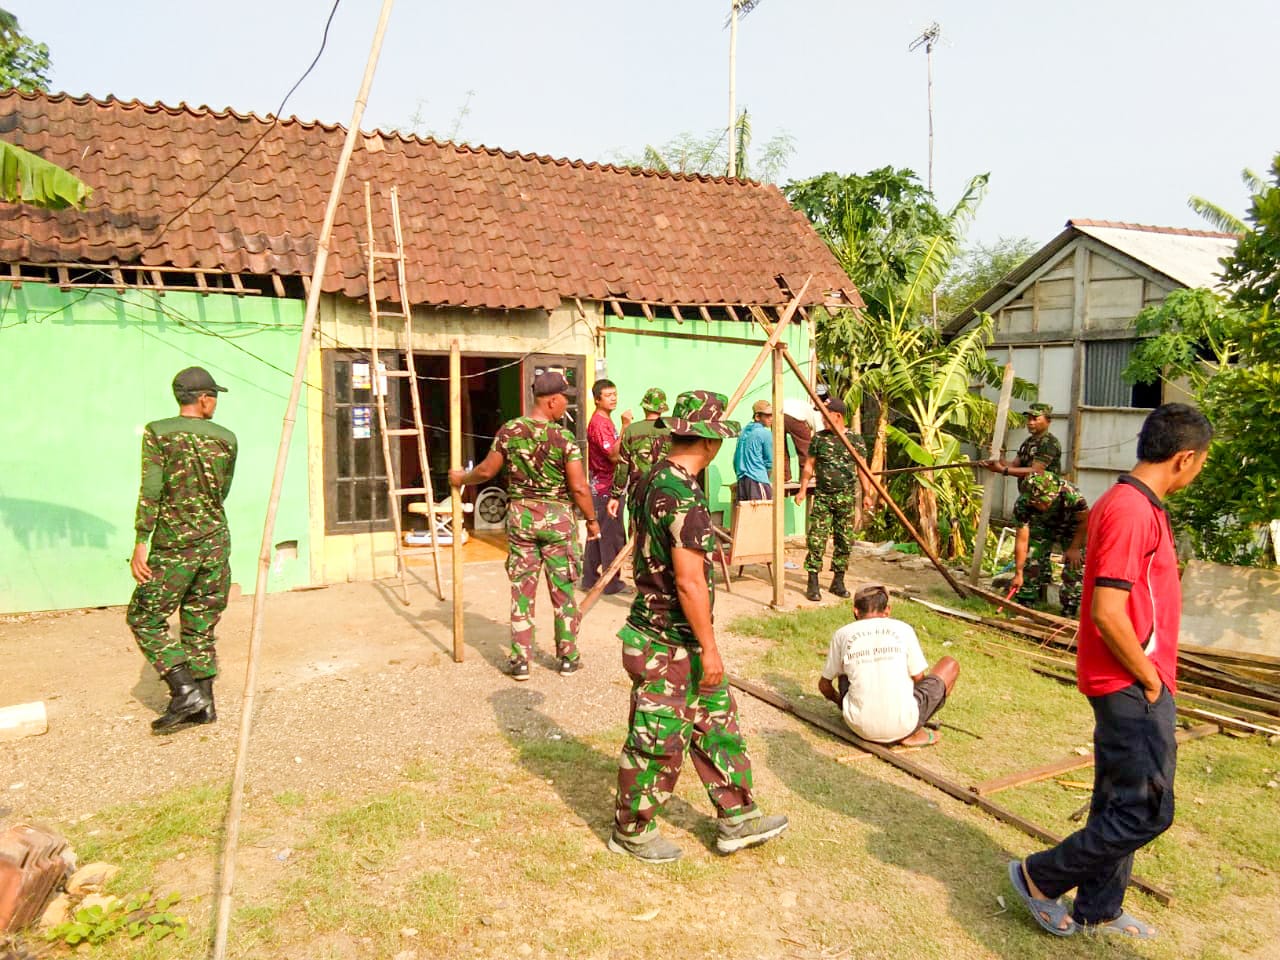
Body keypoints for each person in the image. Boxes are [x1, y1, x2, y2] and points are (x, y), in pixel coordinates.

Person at [1008, 403, 1213, 941]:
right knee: (1147, 810)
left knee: (1119, 799)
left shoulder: (1138, 505)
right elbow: (1106, 610)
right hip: (1129, 682)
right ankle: (1038, 876)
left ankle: (1099, 906)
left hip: (1135, 678)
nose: (1200, 472)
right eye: (1202, 463)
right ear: (1184, 458)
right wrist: (1148, 677)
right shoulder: (1130, 511)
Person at [610, 390, 789, 863]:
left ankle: (737, 815)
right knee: (658, 739)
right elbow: (689, 582)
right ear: (710, 442)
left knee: (716, 725)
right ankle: (631, 829)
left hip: (678, 637)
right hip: (665, 641)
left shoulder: (652, 479)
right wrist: (710, 649)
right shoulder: (681, 495)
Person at [448, 371, 599, 680]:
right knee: (563, 591)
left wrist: (461, 478)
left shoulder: (509, 431)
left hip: (522, 518)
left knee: (522, 590)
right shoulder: (564, 438)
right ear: (552, 401)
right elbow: (580, 487)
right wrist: (593, 521)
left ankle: (520, 662)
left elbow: (488, 470)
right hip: (558, 521)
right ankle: (568, 657)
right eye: (564, 400)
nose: (565, 406)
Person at [127, 366, 237, 733]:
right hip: (216, 540)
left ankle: (187, 692)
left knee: (144, 617)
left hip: (176, 544)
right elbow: (222, 490)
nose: (215, 403)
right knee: (200, 622)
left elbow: (152, 491)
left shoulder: (158, 433)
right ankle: (202, 703)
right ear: (204, 399)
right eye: (214, 397)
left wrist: (142, 540)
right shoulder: (226, 438)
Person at [817, 584, 959, 747]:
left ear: (855, 610)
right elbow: (919, 679)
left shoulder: (842, 634)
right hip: (903, 725)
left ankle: (887, 721)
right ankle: (910, 731)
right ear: (887, 610)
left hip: (858, 726)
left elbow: (824, 686)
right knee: (950, 664)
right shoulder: (903, 629)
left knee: (843, 669)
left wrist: (843, 704)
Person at [795, 397, 863, 602]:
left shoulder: (855, 440)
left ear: (838, 416)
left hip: (846, 498)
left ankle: (838, 581)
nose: (822, 419)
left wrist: (868, 495)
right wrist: (802, 489)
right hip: (824, 497)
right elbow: (809, 466)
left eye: (825, 415)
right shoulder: (819, 439)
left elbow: (862, 469)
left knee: (844, 540)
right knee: (817, 538)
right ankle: (813, 582)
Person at [1010, 472, 1089, 616]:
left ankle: (1069, 607)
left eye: (1044, 500)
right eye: (1036, 501)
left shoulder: (1072, 496)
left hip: (1071, 528)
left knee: (1075, 563)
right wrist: (1018, 573)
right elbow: (1022, 541)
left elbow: (1084, 521)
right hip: (1042, 526)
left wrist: (1074, 548)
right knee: (1032, 556)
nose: (1040, 504)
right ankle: (1025, 602)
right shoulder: (1023, 504)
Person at [582, 379, 632, 596]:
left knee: (598, 534)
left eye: (615, 393)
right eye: (608, 395)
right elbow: (613, 455)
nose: (613, 398)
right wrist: (626, 427)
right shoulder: (600, 423)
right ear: (597, 399)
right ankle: (611, 582)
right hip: (606, 488)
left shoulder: (605, 420)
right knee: (612, 535)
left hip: (601, 486)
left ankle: (589, 578)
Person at [607, 386, 671, 522]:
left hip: (639, 493)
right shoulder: (672, 430)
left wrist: (615, 496)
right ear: (662, 408)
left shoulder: (632, 430)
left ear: (644, 407)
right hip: (667, 491)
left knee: (637, 538)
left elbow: (622, 467)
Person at [983, 401, 1063, 492]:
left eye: (1035, 419)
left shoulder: (1049, 443)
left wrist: (1002, 469)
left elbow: (1035, 471)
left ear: (1048, 422)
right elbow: (1014, 465)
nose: (1030, 423)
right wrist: (999, 457)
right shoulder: (1028, 442)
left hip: (1045, 498)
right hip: (1028, 495)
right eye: (1029, 419)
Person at [732, 399, 774, 501]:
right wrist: (765, 478)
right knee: (762, 515)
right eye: (767, 415)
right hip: (757, 480)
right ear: (757, 417)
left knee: (746, 516)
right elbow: (770, 461)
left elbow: (736, 459)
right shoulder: (765, 433)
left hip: (742, 481)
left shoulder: (743, 432)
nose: (771, 418)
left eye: (772, 415)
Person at [781, 397, 816, 483]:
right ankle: (805, 477)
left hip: (777, 414)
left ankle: (785, 477)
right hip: (794, 416)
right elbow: (814, 431)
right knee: (805, 448)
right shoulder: (814, 414)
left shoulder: (804, 406)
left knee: (781, 450)